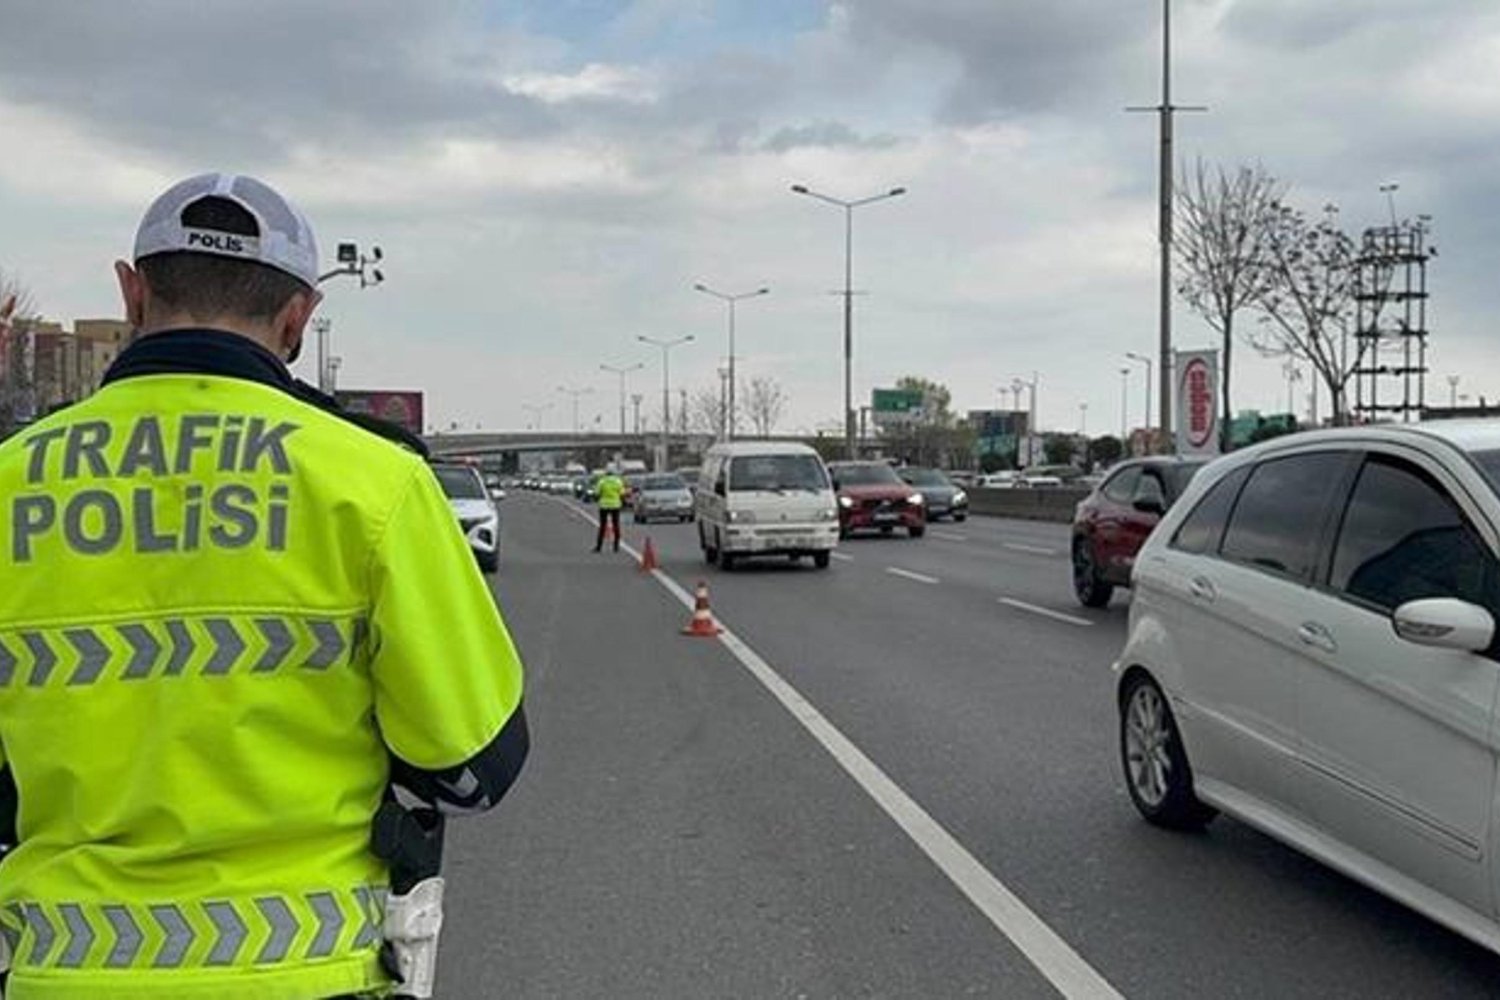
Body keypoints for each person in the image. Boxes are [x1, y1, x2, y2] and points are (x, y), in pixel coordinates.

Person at [0, 173, 528, 999]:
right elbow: (474, 762)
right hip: (307, 972)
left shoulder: (12, 480)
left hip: (60, 972)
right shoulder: (373, 480)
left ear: (131, 293)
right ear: (298, 318)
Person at [594, 466, 626, 553]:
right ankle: (616, 547)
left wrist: (598, 499)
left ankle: (599, 547)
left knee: (602, 526)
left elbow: (596, 493)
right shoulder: (618, 481)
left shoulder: (602, 481)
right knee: (616, 525)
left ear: (606, 473)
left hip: (604, 505)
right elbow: (622, 493)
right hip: (615, 505)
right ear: (614, 473)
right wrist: (622, 502)